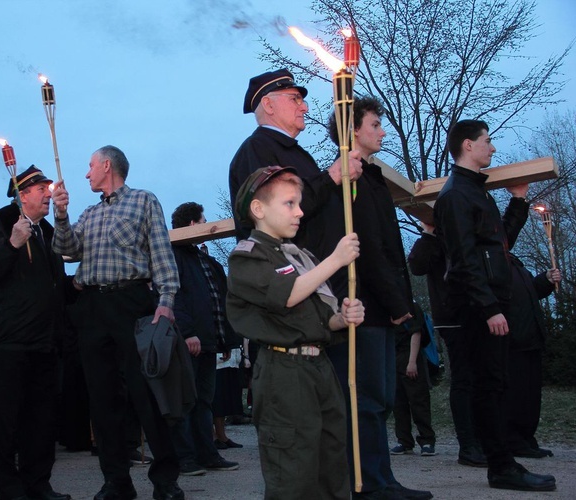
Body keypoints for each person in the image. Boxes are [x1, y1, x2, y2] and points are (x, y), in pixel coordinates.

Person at [52, 145, 184, 500]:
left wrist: (167, 300)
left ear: (107, 165)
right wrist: (61, 215)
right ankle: (116, 482)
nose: (86, 174)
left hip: (132, 303)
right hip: (93, 308)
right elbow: (65, 251)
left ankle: (165, 480)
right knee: (102, 399)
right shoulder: (87, 214)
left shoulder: (143, 201)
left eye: (90, 166)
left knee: (146, 394)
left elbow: (160, 250)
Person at [226, 166, 364, 500]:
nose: (300, 212)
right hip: (283, 373)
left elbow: (318, 320)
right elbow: (286, 295)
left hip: (319, 368)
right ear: (259, 210)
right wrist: (335, 260)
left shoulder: (301, 256)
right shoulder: (247, 257)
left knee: (331, 462)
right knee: (293, 471)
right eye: (289, 204)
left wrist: (343, 317)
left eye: (299, 203)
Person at [433, 119, 555, 491]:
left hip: (490, 302)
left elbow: (499, 247)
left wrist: (518, 200)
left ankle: (503, 463)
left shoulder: (477, 193)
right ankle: (501, 467)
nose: (494, 149)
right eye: (488, 141)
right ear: (468, 146)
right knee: (488, 385)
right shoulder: (455, 195)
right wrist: (488, 308)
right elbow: (464, 259)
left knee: (497, 383)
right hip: (476, 307)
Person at [324, 97, 431, 500]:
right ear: (353, 132)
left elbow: (390, 247)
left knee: (381, 398)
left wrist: (404, 301)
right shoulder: (349, 179)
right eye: (375, 124)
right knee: (365, 399)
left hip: (382, 306)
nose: (382, 131)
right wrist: (397, 303)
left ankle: (383, 479)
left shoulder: (373, 178)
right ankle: (366, 484)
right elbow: (366, 245)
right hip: (362, 306)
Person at [0, 165, 72, 500]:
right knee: (6, 425)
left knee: (41, 424)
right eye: (41, 189)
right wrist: (12, 243)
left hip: (44, 343)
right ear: (22, 194)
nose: (48, 194)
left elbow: (51, 285)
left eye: (48, 187)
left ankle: (38, 484)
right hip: (8, 344)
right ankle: (10, 490)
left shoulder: (47, 232)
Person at [229, 68, 363, 252]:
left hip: (320, 273)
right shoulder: (257, 149)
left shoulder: (293, 152)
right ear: (268, 105)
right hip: (294, 276)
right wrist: (331, 176)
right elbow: (276, 213)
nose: (304, 107)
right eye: (295, 99)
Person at [169, 202, 240, 477]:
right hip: (187, 341)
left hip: (209, 342)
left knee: (204, 401)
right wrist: (187, 332)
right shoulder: (174, 255)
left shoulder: (207, 261)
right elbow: (173, 295)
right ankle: (185, 458)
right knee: (185, 400)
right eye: (203, 219)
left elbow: (219, 300)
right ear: (191, 225)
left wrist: (226, 341)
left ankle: (207, 454)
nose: (206, 223)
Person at [408, 224, 487, 467]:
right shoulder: (434, 240)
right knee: (464, 380)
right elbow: (417, 265)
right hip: (453, 318)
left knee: (486, 380)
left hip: (483, 313)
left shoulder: (471, 233)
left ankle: (487, 440)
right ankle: (469, 445)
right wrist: (429, 231)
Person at [504, 255, 560, 458]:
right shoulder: (493, 263)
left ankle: (527, 438)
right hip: (513, 340)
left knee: (531, 395)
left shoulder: (516, 264)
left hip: (531, 339)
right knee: (517, 395)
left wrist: (545, 279)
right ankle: (515, 440)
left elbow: (531, 292)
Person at [390, 303, 436, 457]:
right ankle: (404, 441)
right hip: (394, 356)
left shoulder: (411, 306)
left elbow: (416, 333)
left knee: (418, 400)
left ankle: (427, 440)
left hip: (410, 355)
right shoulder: (387, 306)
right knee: (398, 402)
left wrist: (412, 362)